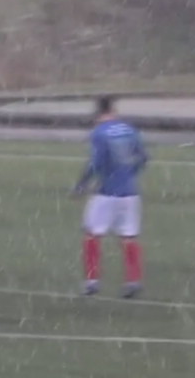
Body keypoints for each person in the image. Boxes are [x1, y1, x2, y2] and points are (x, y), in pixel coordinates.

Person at [73, 95, 149, 299]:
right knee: (129, 236)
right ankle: (133, 281)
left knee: (92, 234)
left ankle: (92, 281)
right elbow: (143, 158)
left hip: (106, 192)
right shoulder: (129, 130)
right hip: (130, 193)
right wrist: (128, 174)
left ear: (98, 114)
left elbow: (95, 163)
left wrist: (82, 184)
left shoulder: (99, 133)